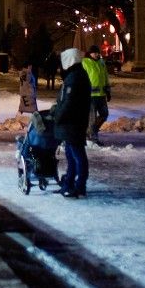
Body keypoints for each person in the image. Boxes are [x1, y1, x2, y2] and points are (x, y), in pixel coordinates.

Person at [50, 48, 92, 197]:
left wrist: (58, 116)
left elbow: (69, 103)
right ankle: (69, 184)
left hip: (73, 123)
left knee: (77, 155)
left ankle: (79, 186)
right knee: (72, 154)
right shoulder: (75, 76)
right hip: (72, 123)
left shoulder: (75, 78)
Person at [83, 45, 111, 144]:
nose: (97, 54)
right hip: (90, 96)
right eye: (94, 53)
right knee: (92, 119)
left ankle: (91, 132)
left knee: (104, 114)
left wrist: (108, 90)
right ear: (90, 53)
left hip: (101, 95)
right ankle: (92, 138)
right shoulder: (85, 62)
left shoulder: (101, 62)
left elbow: (105, 77)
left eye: (97, 52)